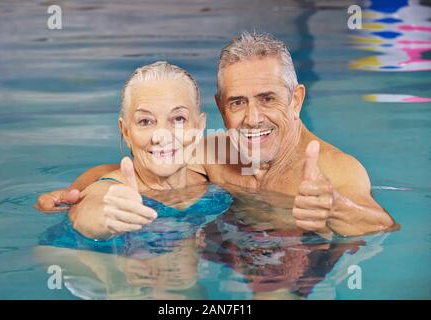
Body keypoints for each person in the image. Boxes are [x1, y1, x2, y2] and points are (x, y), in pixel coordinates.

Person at [36, 32, 397, 237]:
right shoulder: (216, 152)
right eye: (238, 102)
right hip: (231, 251)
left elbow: (384, 225)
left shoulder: (334, 170)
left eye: (268, 99)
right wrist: (78, 190)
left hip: (298, 262)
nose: (253, 118)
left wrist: (336, 207)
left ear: (296, 99)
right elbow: (144, 166)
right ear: (221, 107)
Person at [50, 61, 232, 240]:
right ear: (126, 132)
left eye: (178, 119)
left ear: (199, 127)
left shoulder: (213, 182)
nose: (162, 136)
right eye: (145, 121)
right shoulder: (110, 189)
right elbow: (91, 209)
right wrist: (106, 218)